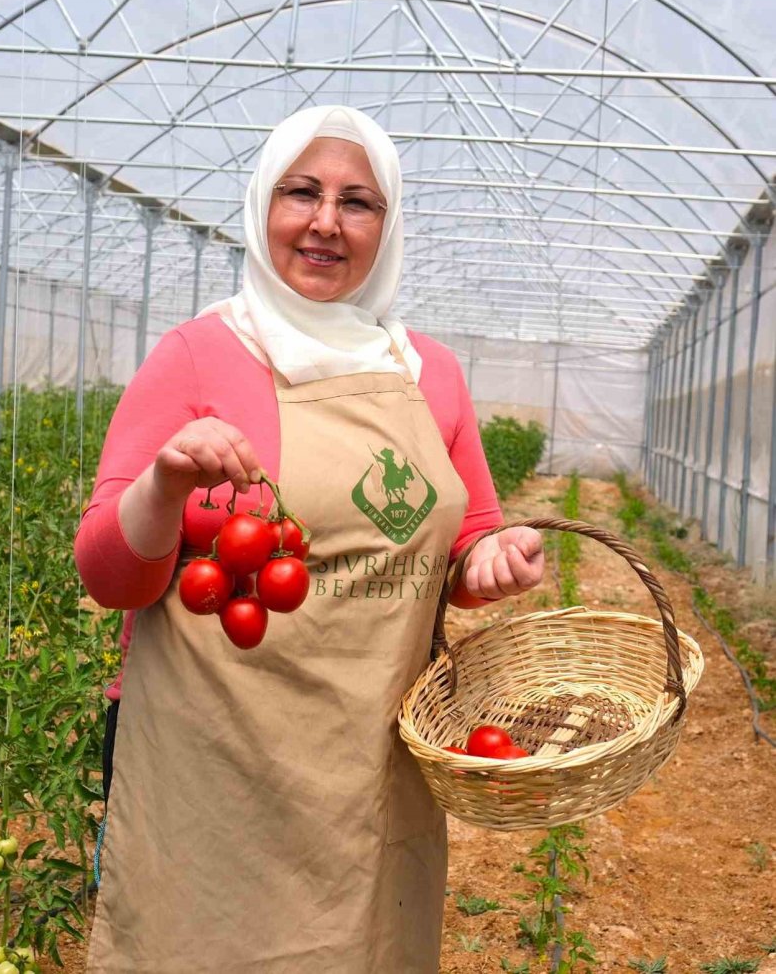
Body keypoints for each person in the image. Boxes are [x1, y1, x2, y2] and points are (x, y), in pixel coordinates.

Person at [75, 105, 544, 973]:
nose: (327, 221)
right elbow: (110, 572)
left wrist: (493, 561)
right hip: (214, 764)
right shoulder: (198, 355)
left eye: (357, 202)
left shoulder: (427, 372)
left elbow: (469, 539)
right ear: (263, 206)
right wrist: (164, 484)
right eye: (303, 192)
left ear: (386, 224)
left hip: (370, 762)